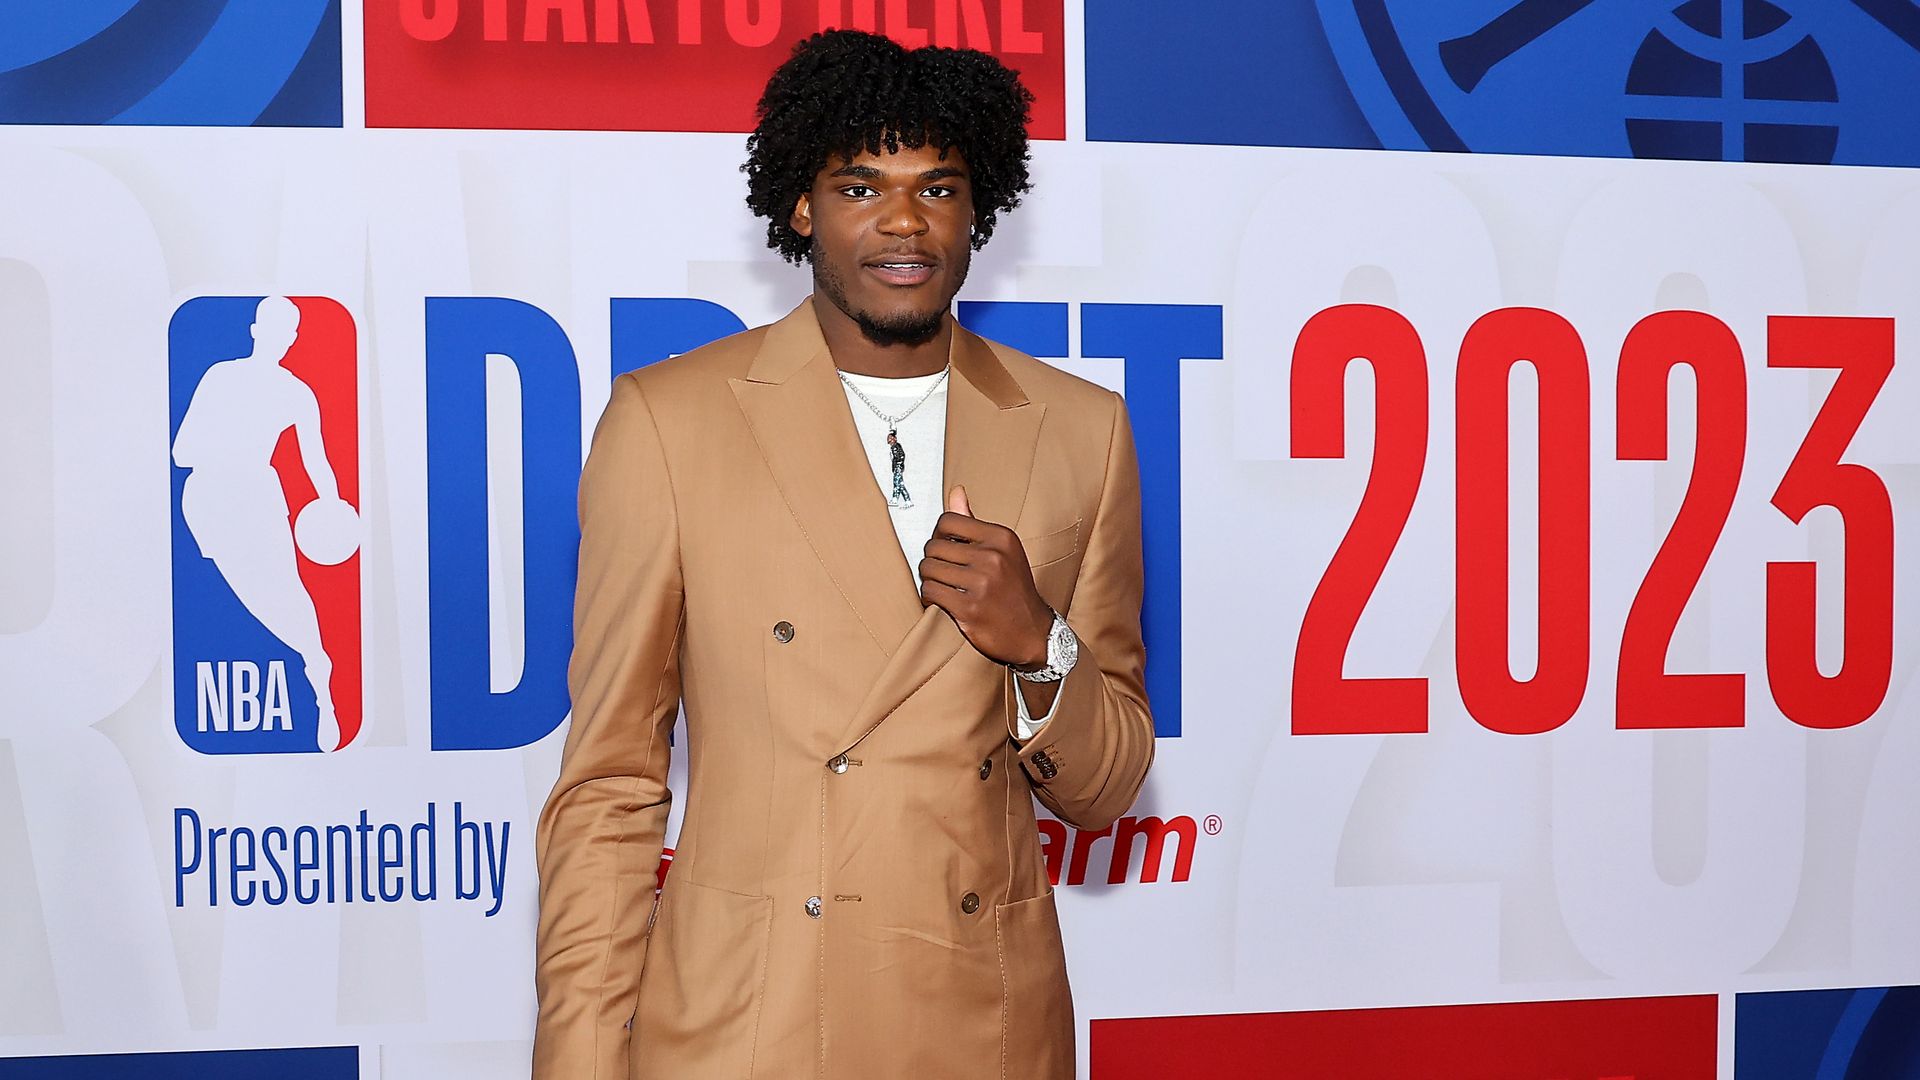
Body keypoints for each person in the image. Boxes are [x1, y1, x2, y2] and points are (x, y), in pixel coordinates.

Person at [533, 29, 1153, 1079]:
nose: (904, 222)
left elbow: (1108, 783)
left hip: (980, 1027)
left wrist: (1037, 645)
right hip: (751, 1024)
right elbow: (610, 788)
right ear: (802, 207)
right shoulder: (668, 423)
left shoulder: (1079, 427)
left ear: (978, 211)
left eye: (938, 188)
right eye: (862, 185)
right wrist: (583, 1060)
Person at [173, 295, 353, 753]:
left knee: (286, 592)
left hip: (257, 497)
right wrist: (225, 451)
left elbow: (318, 462)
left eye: (286, 331)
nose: (279, 338)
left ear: (291, 340)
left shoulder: (296, 392)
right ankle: (314, 663)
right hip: (209, 500)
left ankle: (321, 680)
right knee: (250, 596)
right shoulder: (220, 376)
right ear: (255, 331)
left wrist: (332, 508)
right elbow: (181, 452)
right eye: (272, 328)